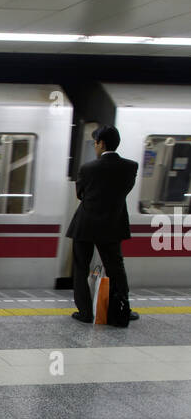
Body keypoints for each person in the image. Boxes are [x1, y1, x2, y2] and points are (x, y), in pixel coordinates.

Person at [68, 125, 139, 325]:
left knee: (81, 267)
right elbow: (124, 192)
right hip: (112, 225)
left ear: (101, 143)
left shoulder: (88, 168)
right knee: (116, 268)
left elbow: (80, 194)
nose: (95, 146)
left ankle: (84, 313)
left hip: (85, 224)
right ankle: (122, 307)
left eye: (95, 143)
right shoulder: (130, 167)